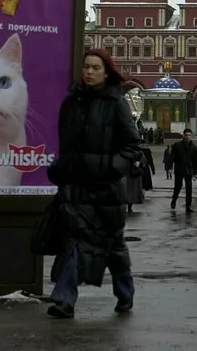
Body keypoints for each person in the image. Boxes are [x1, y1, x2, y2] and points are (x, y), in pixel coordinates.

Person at [46, 49, 142, 319]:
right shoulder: (71, 103)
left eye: (95, 67)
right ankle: (64, 300)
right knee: (75, 243)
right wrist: (60, 169)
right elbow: (66, 146)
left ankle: (125, 293)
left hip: (105, 190)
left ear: (106, 71)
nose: (89, 72)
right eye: (86, 66)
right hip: (76, 187)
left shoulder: (116, 103)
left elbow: (132, 144)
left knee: (114, 247)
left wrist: (111, 168)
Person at [170, 129, 197, 212]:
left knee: (189, 189)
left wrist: (195, 172)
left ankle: (188, 205)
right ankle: (174, 200)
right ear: (183, 135)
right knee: (177, 187)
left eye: (189, 135)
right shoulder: (177, 145)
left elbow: (195, 161)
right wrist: (170, 168)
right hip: (179, 169)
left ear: (191, 136)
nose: (188, 137)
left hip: (189, 170)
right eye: (186, 135)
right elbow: (172, 157)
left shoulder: (193, 147)